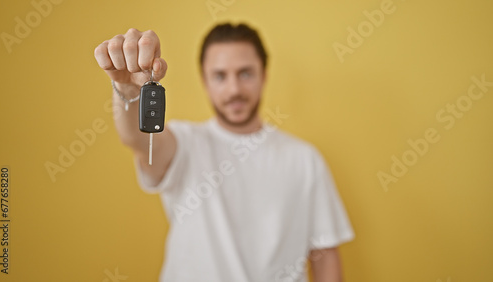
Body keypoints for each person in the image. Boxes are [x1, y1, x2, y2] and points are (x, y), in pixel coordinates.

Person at [94, 22, 355, 282]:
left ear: (264, 75)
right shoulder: (184, 143)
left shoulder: (304, 159)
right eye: (220, 76)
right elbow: (135, 139)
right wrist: (127, 91)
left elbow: (325, 253)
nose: (234, 90)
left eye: (245, 74)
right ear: (205, 81)